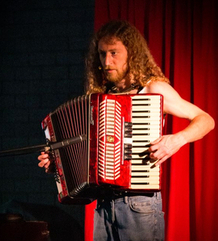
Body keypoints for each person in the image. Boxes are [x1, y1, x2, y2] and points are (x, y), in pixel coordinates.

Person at [38, 20, 215, 241]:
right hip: (103, 205)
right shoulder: (100, 100)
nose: (107, 61)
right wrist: (58, 162)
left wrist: (176, 140)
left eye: (114, 53)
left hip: (138, 204)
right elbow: (87, 155)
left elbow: (206, 120)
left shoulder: (152, 89)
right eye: (102, 54)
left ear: (132, 54)